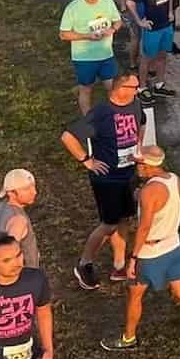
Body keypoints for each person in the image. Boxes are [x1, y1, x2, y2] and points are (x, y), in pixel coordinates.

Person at [101, 145, 180, 353]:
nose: (136, 168)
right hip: (173, 245)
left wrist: (133, 257)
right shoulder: (174, 179)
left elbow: (144, 228)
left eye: (138, 164)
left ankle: (128, 338)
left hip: (151, 252)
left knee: (135, 294)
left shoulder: (149, 191)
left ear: (146, 166)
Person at [58, 72, 145, 290]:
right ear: (120, 88)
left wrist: (139, 145)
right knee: (109, 224)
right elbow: (68, 137)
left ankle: (119, 265)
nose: (138, 91)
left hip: (128, 174)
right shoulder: (102, 113)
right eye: (135, 87)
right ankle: (84, 263)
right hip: (107, 178)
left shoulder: (135, 104)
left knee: (124, 218)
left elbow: (141, 122)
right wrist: (87, 161)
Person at [57, 0, 123, 114]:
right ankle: (88, 120)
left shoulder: (106, 1)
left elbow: (118, 21)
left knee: (112, 86)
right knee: (86, 89)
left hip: (106, 54)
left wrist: (113, 29)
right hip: (84, 58)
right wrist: (87, 36)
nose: (95, 1)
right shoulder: (73, 8)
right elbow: (63, 34)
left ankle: (115, 114)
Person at [0, 169, 41, 270]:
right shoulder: (19, 220)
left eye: (33, 186)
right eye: (26, 189)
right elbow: (9, 251)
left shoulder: (3, 206)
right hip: (27, 276)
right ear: (11, 193)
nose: (34, 192)